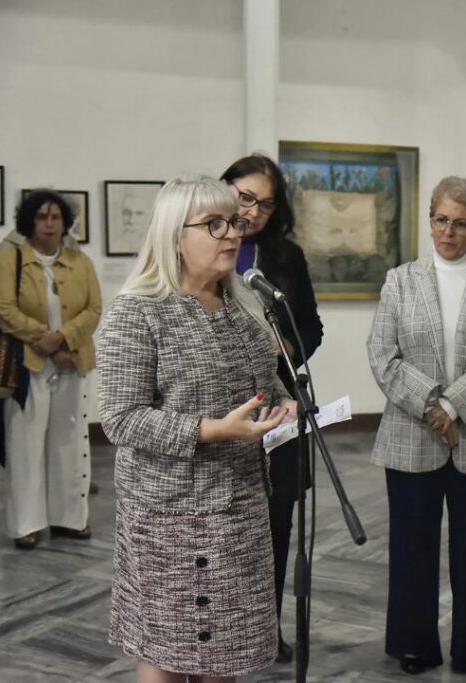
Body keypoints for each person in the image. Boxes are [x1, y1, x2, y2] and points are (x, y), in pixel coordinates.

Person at [97, 175, 297, 682]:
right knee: (167, 650)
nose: (231, 234)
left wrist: (283, 404)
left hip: (241, 508)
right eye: (214, 224)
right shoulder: (138, 312)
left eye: (234, 222)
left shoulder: (244, 308)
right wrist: (212, 430)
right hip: (169, 515)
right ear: (174, 235)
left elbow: (265, 385)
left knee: (226, 654)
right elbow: (120, 417)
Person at [367, 176, 466, 677]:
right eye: (441, 220)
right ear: (430, 219)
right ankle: (415, 643)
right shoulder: (400, 280)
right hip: (411, 434)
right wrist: (433, 405)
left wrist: (454, 407)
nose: (448, 232)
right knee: (411, 548)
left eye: (460, 223)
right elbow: (382, 354)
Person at [219, 153, 323, 664]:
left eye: (265, 204)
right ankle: (219, 628)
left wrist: (281, 355)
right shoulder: (197, 249)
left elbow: (311, 329)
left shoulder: (284, 256)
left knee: (277, 524)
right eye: (245, 198)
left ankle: (267, 629)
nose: (253, 212)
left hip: (277, 410)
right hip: (217, 418)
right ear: (224, 190)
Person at [0, 191, 101, 550]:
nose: (50, 224)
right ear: (29, 221)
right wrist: (45, 339)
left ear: (65, 222)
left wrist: (65, 338)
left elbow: (94, 309)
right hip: (27, 364)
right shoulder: (11, 256)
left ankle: (69, 519)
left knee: (69, 442)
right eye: (41, 217)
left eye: (56, 217)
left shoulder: (80, 260)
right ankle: (26, 524)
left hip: (72, 361)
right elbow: (4, 309)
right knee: (25, 444)